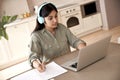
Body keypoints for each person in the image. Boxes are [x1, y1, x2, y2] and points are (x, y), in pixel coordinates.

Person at [28, 2, 86, 72]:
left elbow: (75, 41)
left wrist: (84, 50)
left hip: (69, 64)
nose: (55, 20)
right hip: (52, 69)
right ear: (42, 20)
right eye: (50, 18)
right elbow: (32, 57)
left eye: (56, 16)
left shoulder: (62, 28)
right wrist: (36, 64)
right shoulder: (36, 36)